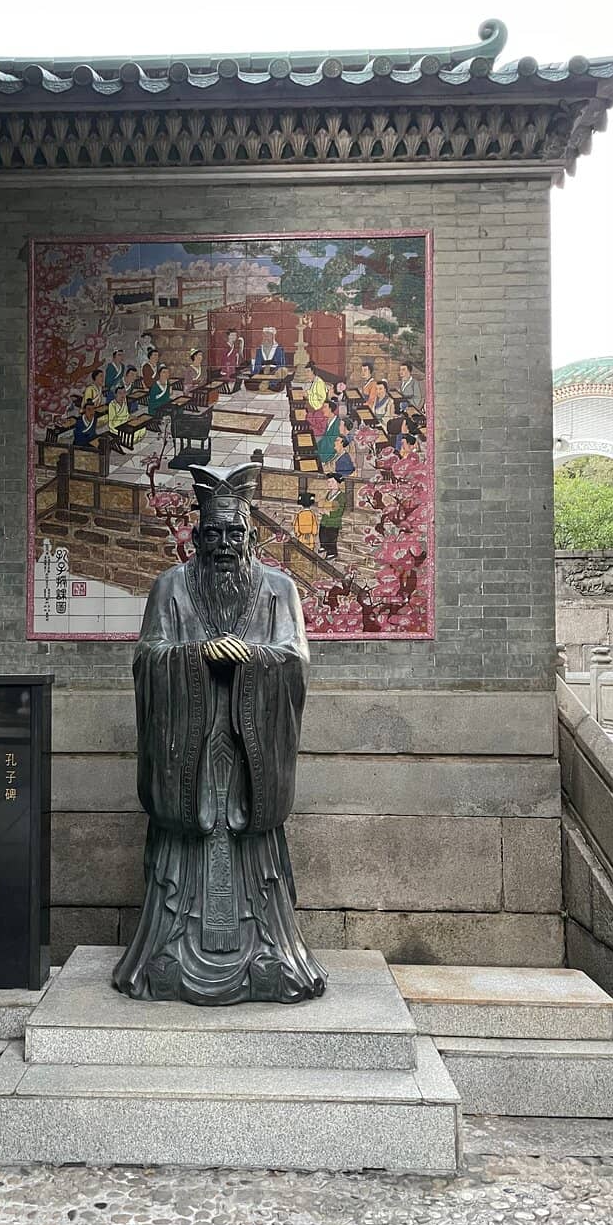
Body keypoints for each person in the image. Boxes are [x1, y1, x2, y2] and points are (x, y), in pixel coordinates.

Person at [112, 462, 327, 1005]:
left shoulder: (279, 590)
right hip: (191, 755)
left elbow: (295, 660)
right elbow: (148, 658)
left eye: (235, 533)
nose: (224, 544)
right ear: (196, 535)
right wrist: (195, 658)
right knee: (181, 860)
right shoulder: (171, 588)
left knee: (257, 862)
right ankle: (166, 952)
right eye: (213, 534)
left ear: (250, 534)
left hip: (250, 761)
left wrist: (253, 659)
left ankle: (271, 954)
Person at [318, 474, 346, 560]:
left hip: (334, 521)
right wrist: (322, 510)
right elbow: (326, 504)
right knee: (322, 533)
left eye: (332, 482)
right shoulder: (329, 494)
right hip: (325, 519)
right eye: (329, 482)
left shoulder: (341, 496)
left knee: (331, 537)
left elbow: (340, 511)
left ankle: (332, 552)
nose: (329, 484)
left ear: (338, 483)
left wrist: (329, 513)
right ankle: (323, 546)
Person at [108, 383, 145, 447]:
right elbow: (112, 421)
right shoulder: (112, 404)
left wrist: (131, 417)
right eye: (120, 393)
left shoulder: (125, 401)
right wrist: (126, 419)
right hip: (116, 426)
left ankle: (132, 440)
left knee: (142, 428)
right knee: (133, 435)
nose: (122, 395)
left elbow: (126, 414)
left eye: (124, 392)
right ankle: (129, 441)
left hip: (125, 422)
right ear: (115, 394)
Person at [314, 401, 340, 467]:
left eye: (325, 407)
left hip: (328, 454)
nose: (322, 409)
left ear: (330, 409)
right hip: (323, 449)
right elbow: (325, 438)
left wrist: (320, 455)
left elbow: (332, 444)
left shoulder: (337, 423)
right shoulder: (329, 421)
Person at [220, 328, 243, 393]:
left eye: (235, 335)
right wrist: (224, 369)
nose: (234, 337)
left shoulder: (234, 346)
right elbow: (223, 359)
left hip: (232, 367)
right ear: (228, 336)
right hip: (226, 368)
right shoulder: (225, 346)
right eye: (232, 335)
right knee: (230, 383)